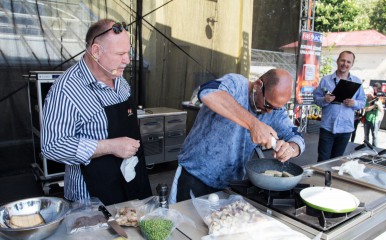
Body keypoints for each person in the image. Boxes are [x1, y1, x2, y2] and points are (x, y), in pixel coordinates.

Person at [41, 19, 152, 205]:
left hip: (131, 182)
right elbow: (52, 146)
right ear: (96, 52)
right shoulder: (66, 90)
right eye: (120, 53)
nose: (127, 59)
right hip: (91, 198)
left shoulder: (120, 81)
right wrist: (110, 146)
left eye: (128, 52)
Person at [168, 69, 305, 203]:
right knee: (183, 221)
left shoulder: (275, 111)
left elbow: (296, 137)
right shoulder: (236, 84)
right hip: (195, 173)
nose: (269, 112)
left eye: (276, 108)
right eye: (268, 104)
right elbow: (207, 92)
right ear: (258, 85)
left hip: (230, 183)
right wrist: (253, 124)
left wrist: (290, 149)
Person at [313, 51, 366, 162]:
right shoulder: (326, 80)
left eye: (348, 61)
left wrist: (354, 103)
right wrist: (324, 99)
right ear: (337, 61)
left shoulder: (357, 82)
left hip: (345, 128)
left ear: (352, 64)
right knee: (322, 160)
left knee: (336, 160)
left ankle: (332, 179)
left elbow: (363, 102)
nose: (344, 64)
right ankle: (321, 179)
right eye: (342, 60)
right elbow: (316, 100)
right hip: (327, 127)